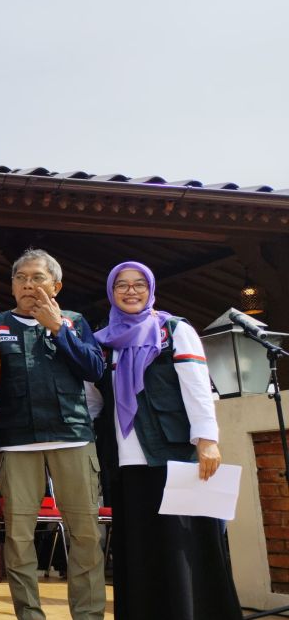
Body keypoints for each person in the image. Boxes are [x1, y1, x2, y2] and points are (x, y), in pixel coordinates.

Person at [91, 260, 241, 620]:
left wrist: (207, 439)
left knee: (184, 549)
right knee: (141, 551)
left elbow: (197, 387)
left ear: (151, 289)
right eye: (122, 285)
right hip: (126, 463)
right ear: (111, 292)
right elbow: (94, 401)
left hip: (175, 456)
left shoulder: (173, 330)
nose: (131, 291)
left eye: (139, 284)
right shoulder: (101, 342)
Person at [0, 250, 106, 620]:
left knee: (85, 534)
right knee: (18, 537)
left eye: (37, 277)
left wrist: (58, 328)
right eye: (20, 278)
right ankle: (29, 614)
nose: (28, 285)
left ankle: (88, 614)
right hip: (16, 442)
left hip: (73, 437)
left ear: (57, 286)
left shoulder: (75, 321)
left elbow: (94, 368)